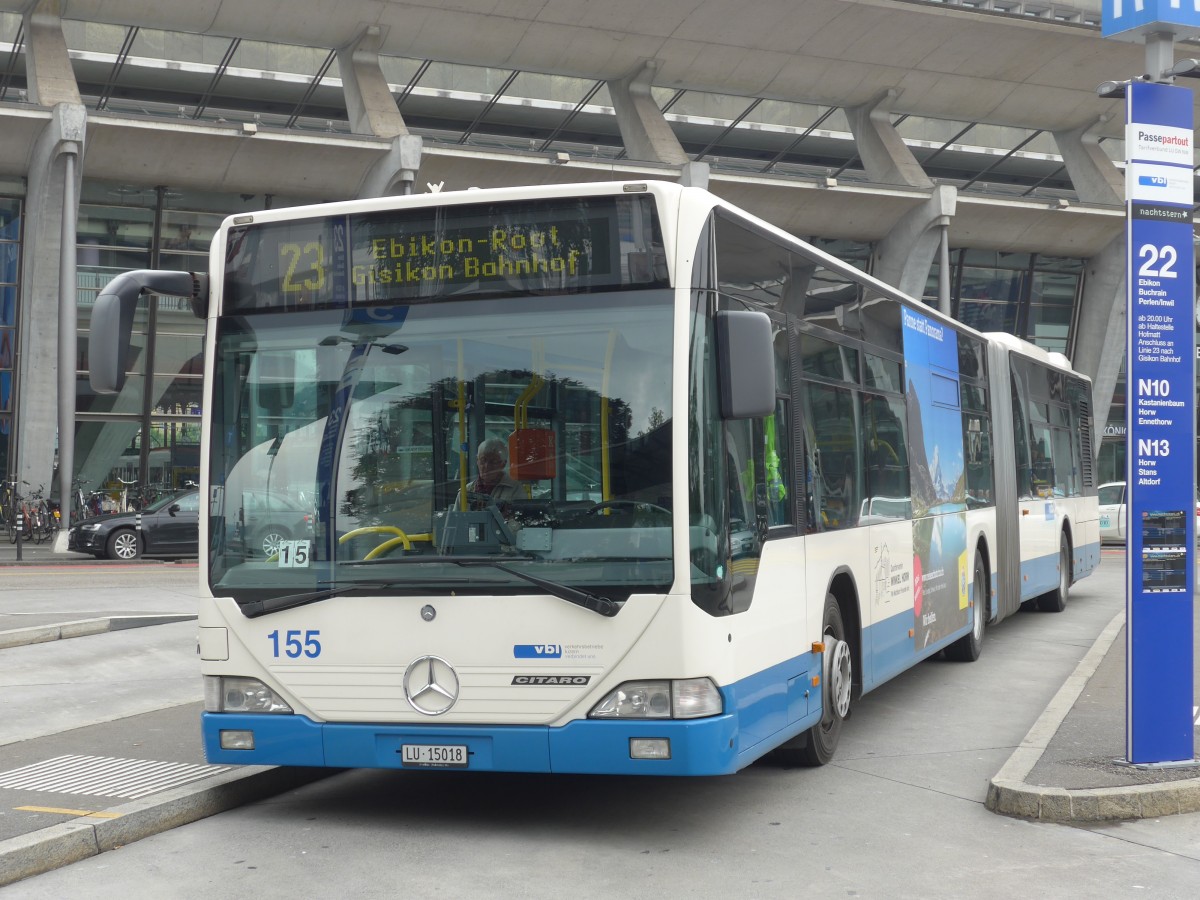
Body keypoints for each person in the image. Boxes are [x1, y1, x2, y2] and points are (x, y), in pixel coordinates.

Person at [455, 437, 522, 510]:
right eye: (483, 460)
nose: (487, 466)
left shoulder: (515, 488)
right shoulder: (465, 491)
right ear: (477, 461)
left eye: (493, 462)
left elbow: (520, 515)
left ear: (503, 464)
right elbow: (455, 517)